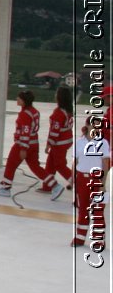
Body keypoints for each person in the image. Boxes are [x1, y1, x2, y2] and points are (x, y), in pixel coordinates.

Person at [0, 90, 50, 197]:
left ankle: (6, 188)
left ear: (24, 101)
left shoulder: (25, 114)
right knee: (35, 167)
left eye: (19, 98)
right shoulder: (34, 111)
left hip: (23, 144)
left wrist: (23, 148)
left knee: (11, 164)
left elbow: (25, 132)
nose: (17, 99)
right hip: (34, 143)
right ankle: (55, 185)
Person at [72, 118, 106, 248]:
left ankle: (98, 241)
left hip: (97, 180)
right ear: (87, 126)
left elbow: (105, 164)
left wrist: (103, 184)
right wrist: (72, 180)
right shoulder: (79, 142)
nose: (96, 129)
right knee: (82, 210)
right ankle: (79, 238)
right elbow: (74, 163)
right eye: (94, 126)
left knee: (97, 211)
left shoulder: (103, 142)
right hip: (82, 178)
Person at [42, 86, 75, 200]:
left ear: (59, 97)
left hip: (59, 143)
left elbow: (54, 131)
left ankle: (77, 182)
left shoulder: (58, 113)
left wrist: (49, 144)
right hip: (66, 140)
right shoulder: (68, 110)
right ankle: (47, 185)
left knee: (59, 165)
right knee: (50, 163)